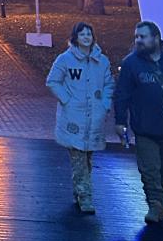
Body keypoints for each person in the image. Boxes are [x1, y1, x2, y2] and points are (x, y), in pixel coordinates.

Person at [45, 22, 115, 213]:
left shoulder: (102, 61)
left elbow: (109, 84)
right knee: (79, 157)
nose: (86, 37)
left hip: (95, 118)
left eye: (89, 34)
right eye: (82, 34)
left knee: (87, 158)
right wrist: (67, 100)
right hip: (73, 118)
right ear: (75, 37)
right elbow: (53, 81)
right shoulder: (65, 59)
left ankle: (79, 189)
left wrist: (105, 104)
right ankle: (85, 197)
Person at [114, 20, 163, 224]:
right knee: (149, 169)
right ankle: (154, 204)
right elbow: (122, 94)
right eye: (136, 37)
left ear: (156, 38)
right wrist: (120, 121)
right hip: (145, 128)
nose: (138, 40)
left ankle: (159, 200)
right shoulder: (131, 64)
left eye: (143, 36)